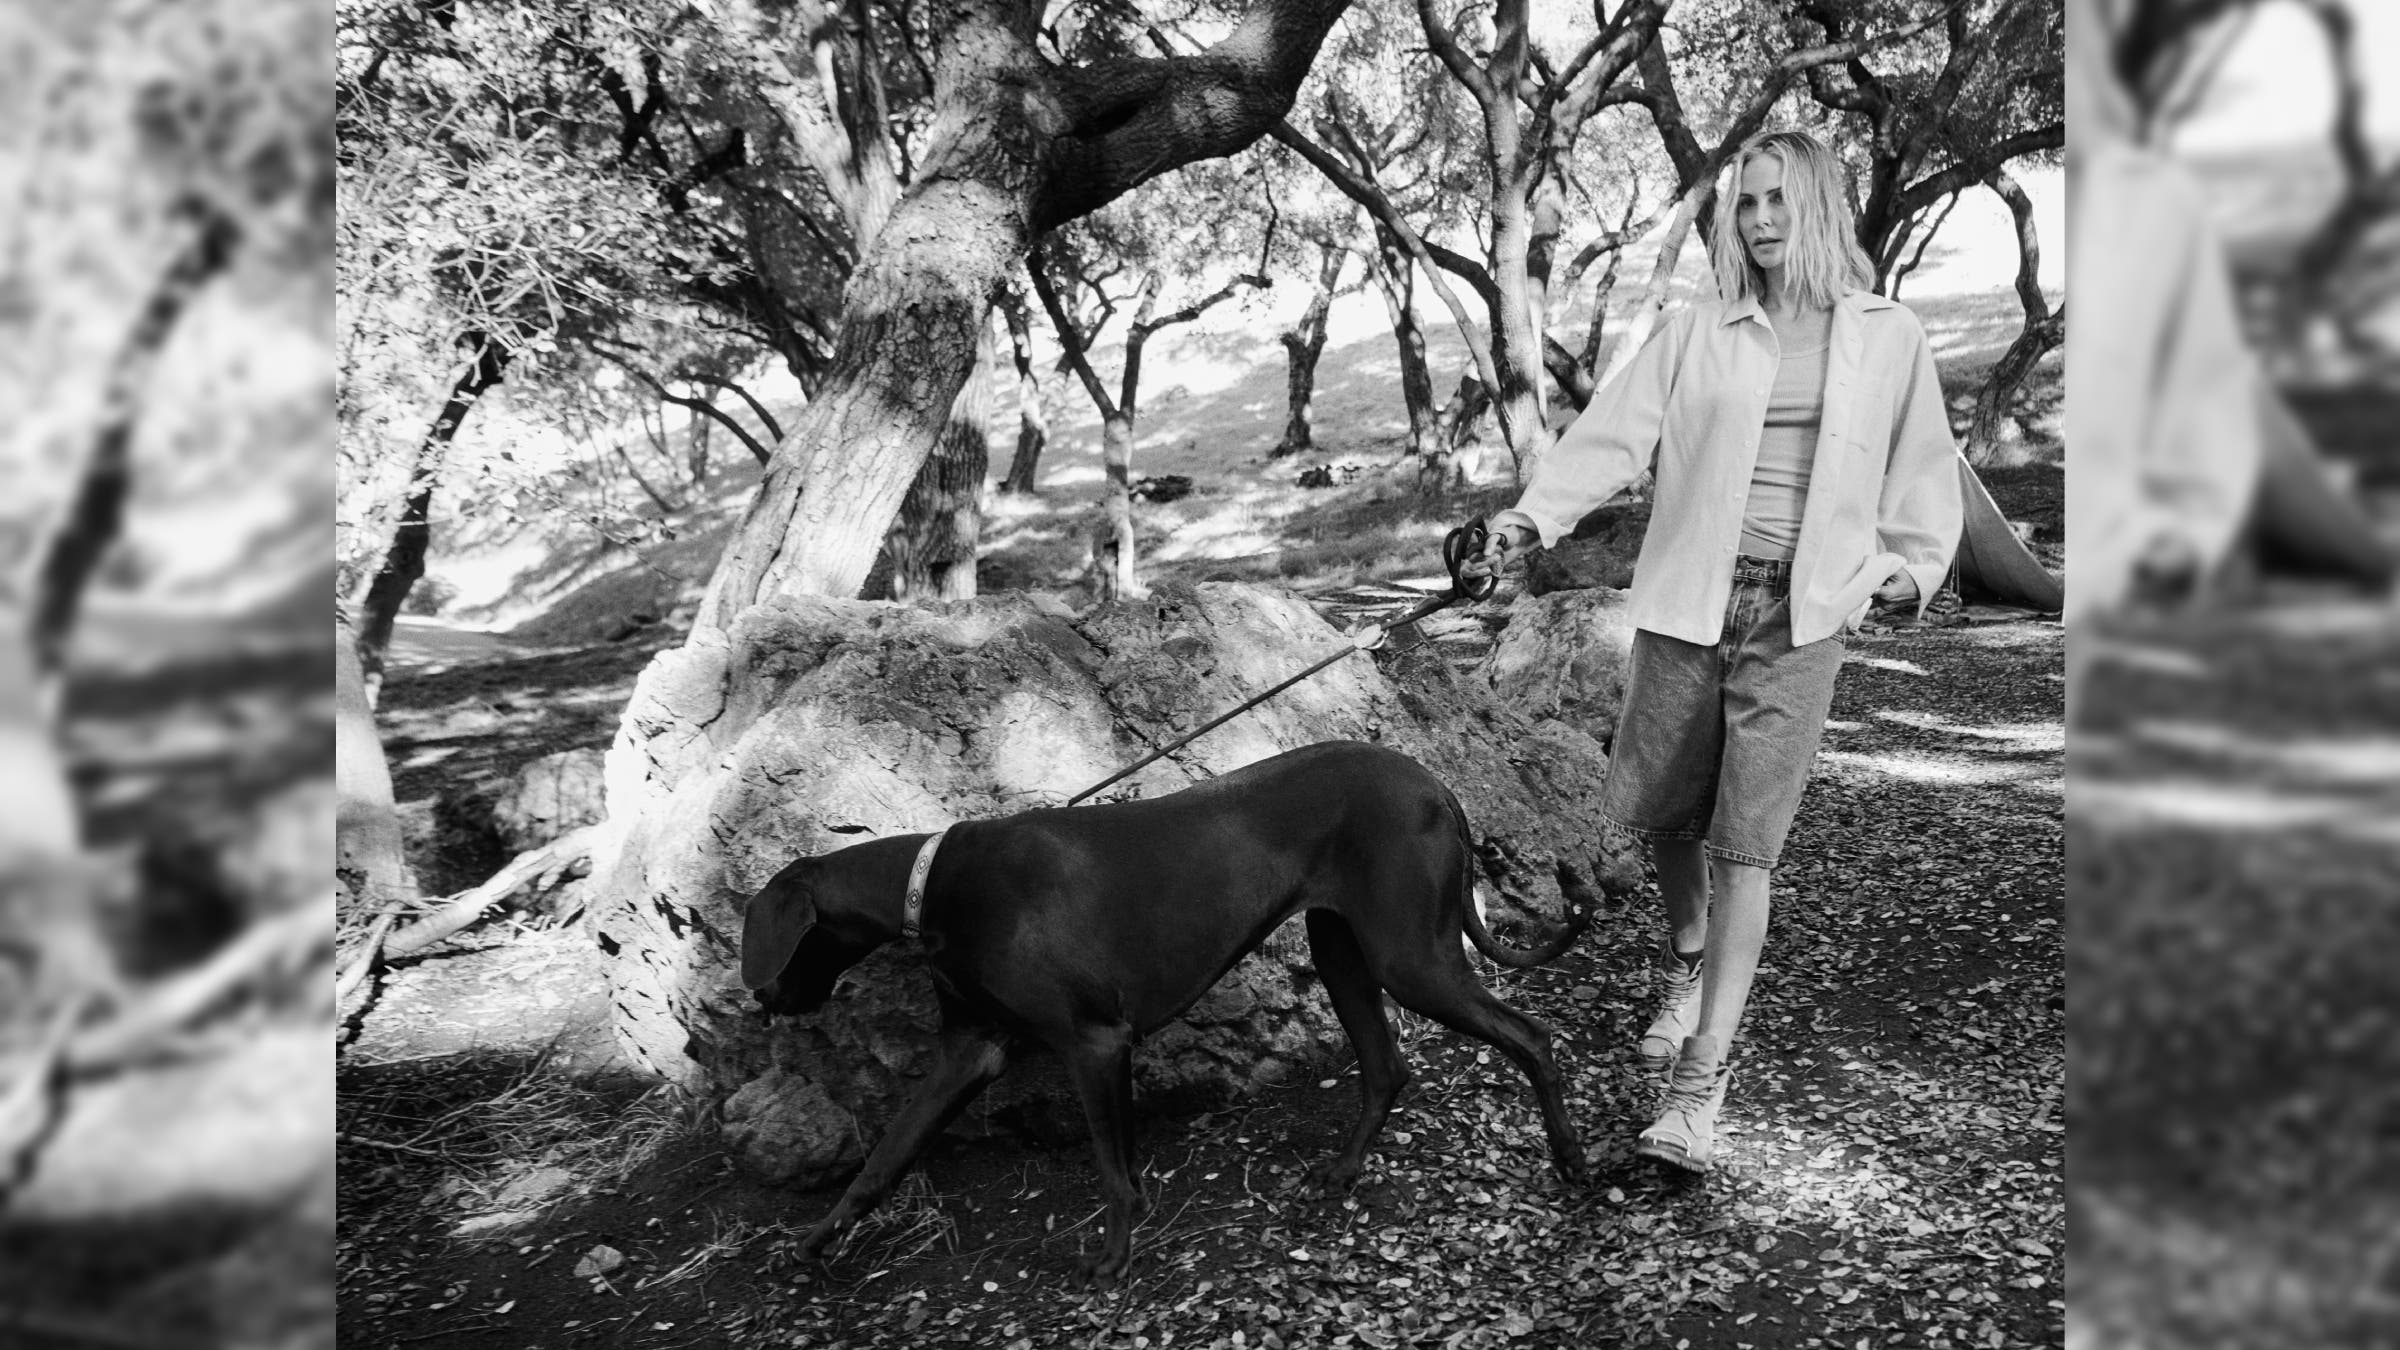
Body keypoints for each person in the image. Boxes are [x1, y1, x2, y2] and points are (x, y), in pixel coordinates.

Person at [1461, 129, 1962, 1171]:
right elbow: (1612, 434)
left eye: (1779, 200)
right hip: (1690, 601)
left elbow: (1923, 467)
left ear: (1819, 205)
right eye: (1746, 203)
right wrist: (1531, 521)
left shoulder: (1887, 334)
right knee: (1664, 810)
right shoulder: (1702, 328)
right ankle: (1686, 959)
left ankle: (1700, 1086)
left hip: (1801, 618)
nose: (1761, 218)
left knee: (1749, 846)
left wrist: (1908, 569)